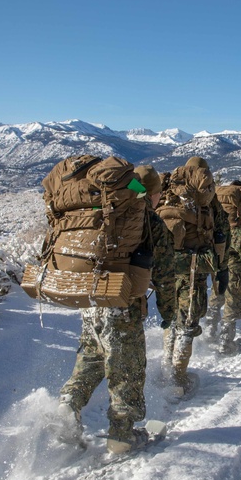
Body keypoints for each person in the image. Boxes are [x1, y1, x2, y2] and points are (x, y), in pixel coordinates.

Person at [58, 164, 176, 452]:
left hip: (91, 299)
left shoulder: (105, 212)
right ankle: (122, 436)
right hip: (122, 305)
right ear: (153, 194)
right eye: (158, 194)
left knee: (92, 357)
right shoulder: (148, 220)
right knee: (127, 368)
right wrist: (169, 310)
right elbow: (165, 273)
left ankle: (66, 408)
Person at [155, 156, 226, 395]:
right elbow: (222, 228)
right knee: (188, 321)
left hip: (165, 266)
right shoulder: (206, 196)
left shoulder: (167, 188)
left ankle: (166, 367)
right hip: (194, 265)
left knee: (172, 316)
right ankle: (177, 377)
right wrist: (221, 265)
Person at [210, 181, 241, 354]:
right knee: (233, 295)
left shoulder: (218, 207)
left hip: (218, 253)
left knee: (216, 290)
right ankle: (226, 342)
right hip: (237, 258)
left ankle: (210, 332)